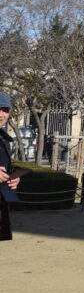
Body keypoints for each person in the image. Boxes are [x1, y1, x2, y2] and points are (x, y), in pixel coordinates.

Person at [0, 91, 22, 241]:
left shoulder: (4, 138)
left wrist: (13, 178)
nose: (1, 114)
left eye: (5, 110)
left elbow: (6, 167)